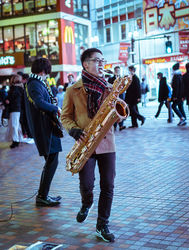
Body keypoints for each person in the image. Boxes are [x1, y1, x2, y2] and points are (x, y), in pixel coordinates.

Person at [61, 48, 115, 243]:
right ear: (85, 64)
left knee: (108, 185)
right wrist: (73, 130)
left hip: (107, 142)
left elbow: (116, 114)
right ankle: (86, 202)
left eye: (103, 60)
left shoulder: (110, 87)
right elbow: (65, 116)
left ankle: (102, 225)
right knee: (87, 183)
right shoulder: (72, 90)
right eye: (96, 60)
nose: (101, 64)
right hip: (84, 143)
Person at [24, 58, 62, 207]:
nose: (47, 75)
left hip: (47, 127)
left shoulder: (36, 82)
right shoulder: (34, 83)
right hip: (45, 128)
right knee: (52, 160)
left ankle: (43, 194)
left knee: (51, 161)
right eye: (47, 72)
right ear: (43, 70)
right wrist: (55, 109)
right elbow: (39, 102)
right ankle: (42, 196)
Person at [5, 74, 24, 148]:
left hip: (15, 109)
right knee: (16, 125)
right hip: (17, 108)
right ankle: (19, 139)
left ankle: (15, 141)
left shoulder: (15, 88)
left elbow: (13, 98)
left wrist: (8, 100)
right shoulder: (19, 88)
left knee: (14, 125)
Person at [108, 66, 126, 131]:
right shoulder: (111, 79)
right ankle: (115, 125)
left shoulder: (122, 78)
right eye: (116, 70)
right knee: (114, 111)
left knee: (121, 110)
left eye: (118, 70)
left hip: (121, 97)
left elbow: (124, 87)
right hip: (114, 97)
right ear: (114, 71)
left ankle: (121, 125)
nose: (117, 71)